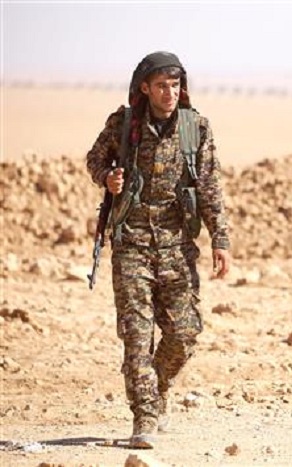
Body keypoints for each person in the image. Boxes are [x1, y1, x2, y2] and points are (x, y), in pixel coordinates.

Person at [86, 51, 231, 448]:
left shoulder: (195, 128)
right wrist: (107, 177)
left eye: (175, 85)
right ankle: (145, 416)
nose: (170, 93)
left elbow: (209, 186)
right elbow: (95, 159)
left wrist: (220, 240)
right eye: (162, 86)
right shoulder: (123, 124)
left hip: (177, 247)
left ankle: (157, 387)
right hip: (131, 244)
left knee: (185, 333)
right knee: (136, 336)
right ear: (145, 89)